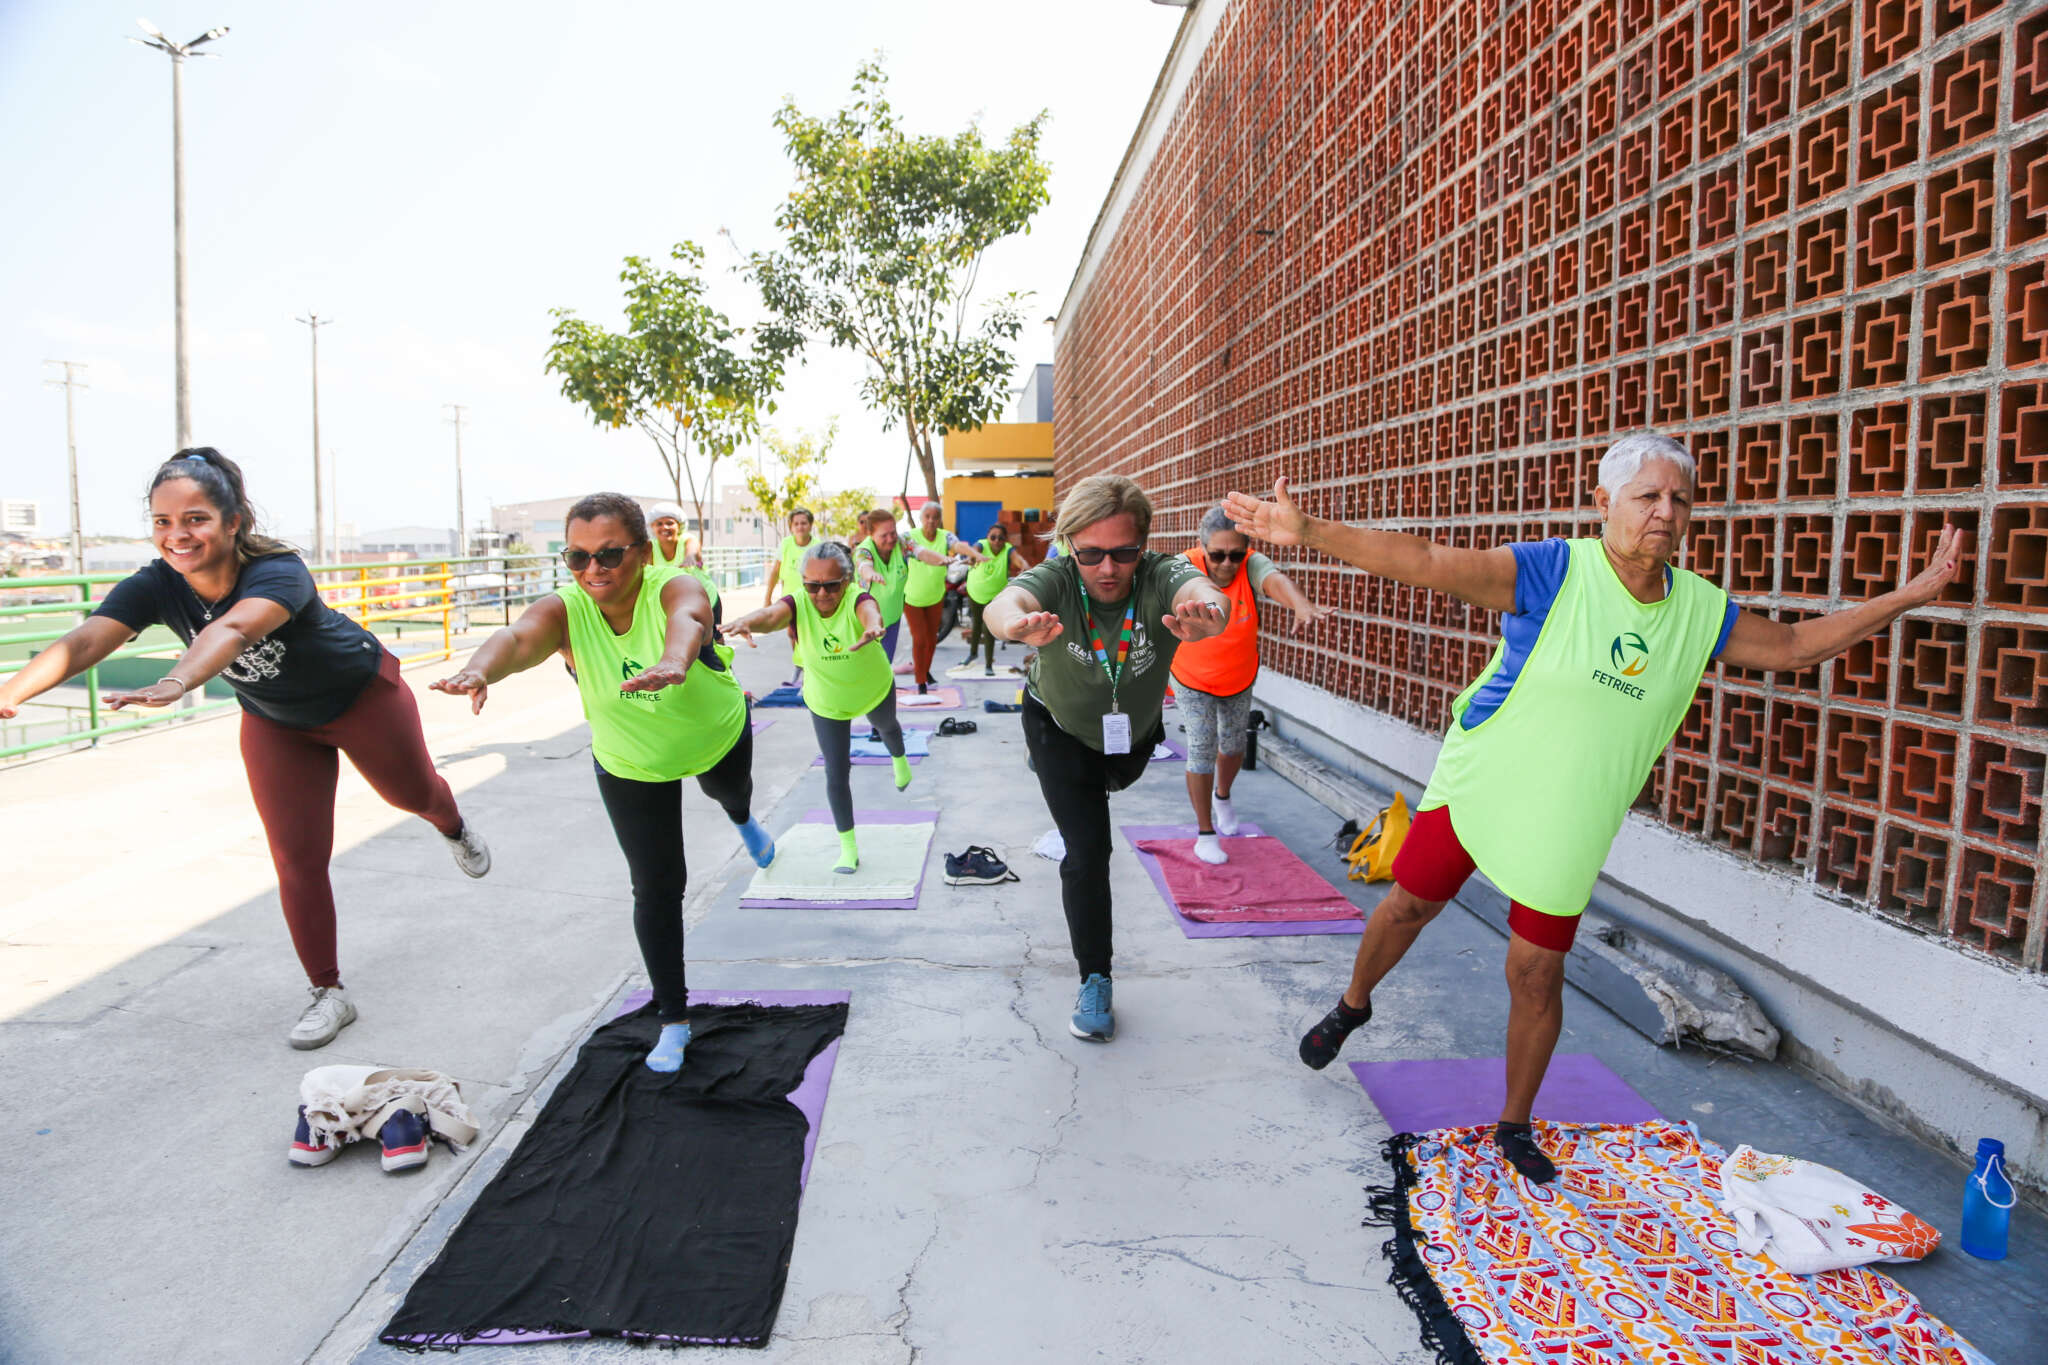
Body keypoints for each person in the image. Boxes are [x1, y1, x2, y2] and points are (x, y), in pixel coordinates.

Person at [1225, 432, 1963, 1183]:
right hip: (1485, 777)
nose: (1665, 512)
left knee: (1536, 973)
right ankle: (1354, 1003)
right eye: (1647, 496)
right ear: (1604, 503)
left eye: (1679, 499)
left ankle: (1513, 1123)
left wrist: (1908, 596)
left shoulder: (1699, 611)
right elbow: (1428, 563)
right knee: (1408, 906)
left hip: (1570, 816)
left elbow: (1798, 645)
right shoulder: (1557, 570)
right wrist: (1310, 533)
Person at [0, 449, 491, 1050]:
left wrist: (179, 680)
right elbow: (86, 640)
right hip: (276, 721)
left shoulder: (279, 570)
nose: (178, 535)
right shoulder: (157, 583)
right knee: (297, 857)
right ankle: (327, 991)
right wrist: (11, 691)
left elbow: (231, 629)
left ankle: (452, 822)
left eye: (196, 519)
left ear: (234, 522)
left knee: (412, 795)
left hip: (361, 698)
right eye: (162, 522)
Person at [432, 493, 773, 1073]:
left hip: (713, 734)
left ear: (641, 552)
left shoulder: (673, 584)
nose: (594, 570)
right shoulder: (568, 608)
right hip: (629, 760)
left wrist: (675, 659)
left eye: (610, 555)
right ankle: (673, 1019)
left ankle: (743, 821)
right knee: (658, 886)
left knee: (727, 795)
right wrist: (480, 669)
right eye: (577, 557)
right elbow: (518, 639)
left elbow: (689, 618)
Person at [983, 474, 1231, 1043]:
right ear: (1071, 546)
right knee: (1088, 850)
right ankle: (1095, 977)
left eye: (1123, 552)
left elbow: (1203, 593)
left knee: (1109, 782)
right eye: (1091, 552)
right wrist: (1015, 626)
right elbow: (1006, 601)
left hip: (1132, 739)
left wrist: (1211, 614)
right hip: (1058, 728)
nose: (1108, 568)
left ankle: (1077, 782)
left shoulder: (1161, 575)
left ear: (1143, 546)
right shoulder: (1059, 578)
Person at [723, 541, 910, 873]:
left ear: (848, 581)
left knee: (889, 729)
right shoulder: (798, 603)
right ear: (803, 583)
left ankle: (899, 759)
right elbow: (771, 616)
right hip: (827, 700)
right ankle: (848, 848)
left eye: (831, 585)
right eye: (812, 585)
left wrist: (873, 626)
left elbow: (870, 611)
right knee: (836, 772)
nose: (821, 593)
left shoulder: (857, 598)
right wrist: (749, 620)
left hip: (872, 689)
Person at [1171, 506, 1335, 863]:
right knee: (1202, 744)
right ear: (1203, 549)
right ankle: (1205, 832)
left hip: (1237, 676)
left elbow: (1274, 580)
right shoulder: (1185, 566)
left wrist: (1300, 604)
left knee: (1232, 745)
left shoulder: (1251, 565)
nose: (1227, 563)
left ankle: (1223, 796)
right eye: (1217, 555)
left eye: (1236, 554)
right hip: (1192, 675)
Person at [901, 502, 985, 693]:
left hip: (936, 596)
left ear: (940, 520)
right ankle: (920, 681)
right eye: (927, 516)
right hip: (912, 598)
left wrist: (974, 554)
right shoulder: (909, 537)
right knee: (920, 638)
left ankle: (925, 671)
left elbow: (958, 545)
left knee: (932, 639)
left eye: (935, 517)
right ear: (921, 518)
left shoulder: (945, 536)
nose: (931, 520)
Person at [762, 508, 816, 685]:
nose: (800, 527)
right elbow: (776, 572)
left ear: (810, 525)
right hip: (789, 600)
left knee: (808, 636)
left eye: (804, 523)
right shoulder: (786, 544)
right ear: (791, 527)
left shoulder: (817, 546)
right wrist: (768, 597)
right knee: (792, 634)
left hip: (812, 600)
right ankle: (799, 666)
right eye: (796, 524)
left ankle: (810, 671)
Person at [853, 507, 911, 664]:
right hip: (867, 620)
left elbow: (922, 552)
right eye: (884, 535)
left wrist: (940, 559)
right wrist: (870, 573)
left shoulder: (901, 543)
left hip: (892, 618)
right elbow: (864, 566)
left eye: (893, 533)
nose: (891, 538)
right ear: (871, 534)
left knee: (886, 663)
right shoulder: (864, 550)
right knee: (867, 664)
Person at [649, 504, 723, 626]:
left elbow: (693, 549)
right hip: (677, 605)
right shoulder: (650, 547)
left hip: (706, 600)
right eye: (659, 524)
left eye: (670, 523)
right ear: (652, 527)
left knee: (714, 641)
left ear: (679, 525)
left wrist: (690, 557)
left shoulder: (688, 539)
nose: (665, 527)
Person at [963, 521, 1020, 676]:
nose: (996, 541)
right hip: (975, 592)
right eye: (993, 537)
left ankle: (989, 664)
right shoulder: (981, 545)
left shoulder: (1008, 550)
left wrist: (1028, 569)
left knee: (988, 629)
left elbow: (1020, 561)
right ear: (988, 537)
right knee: (976, 623)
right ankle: (973, 653)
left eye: (1000, 538)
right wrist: (974, 556)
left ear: (1005, 540)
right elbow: (974, 551)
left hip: (995, 597)